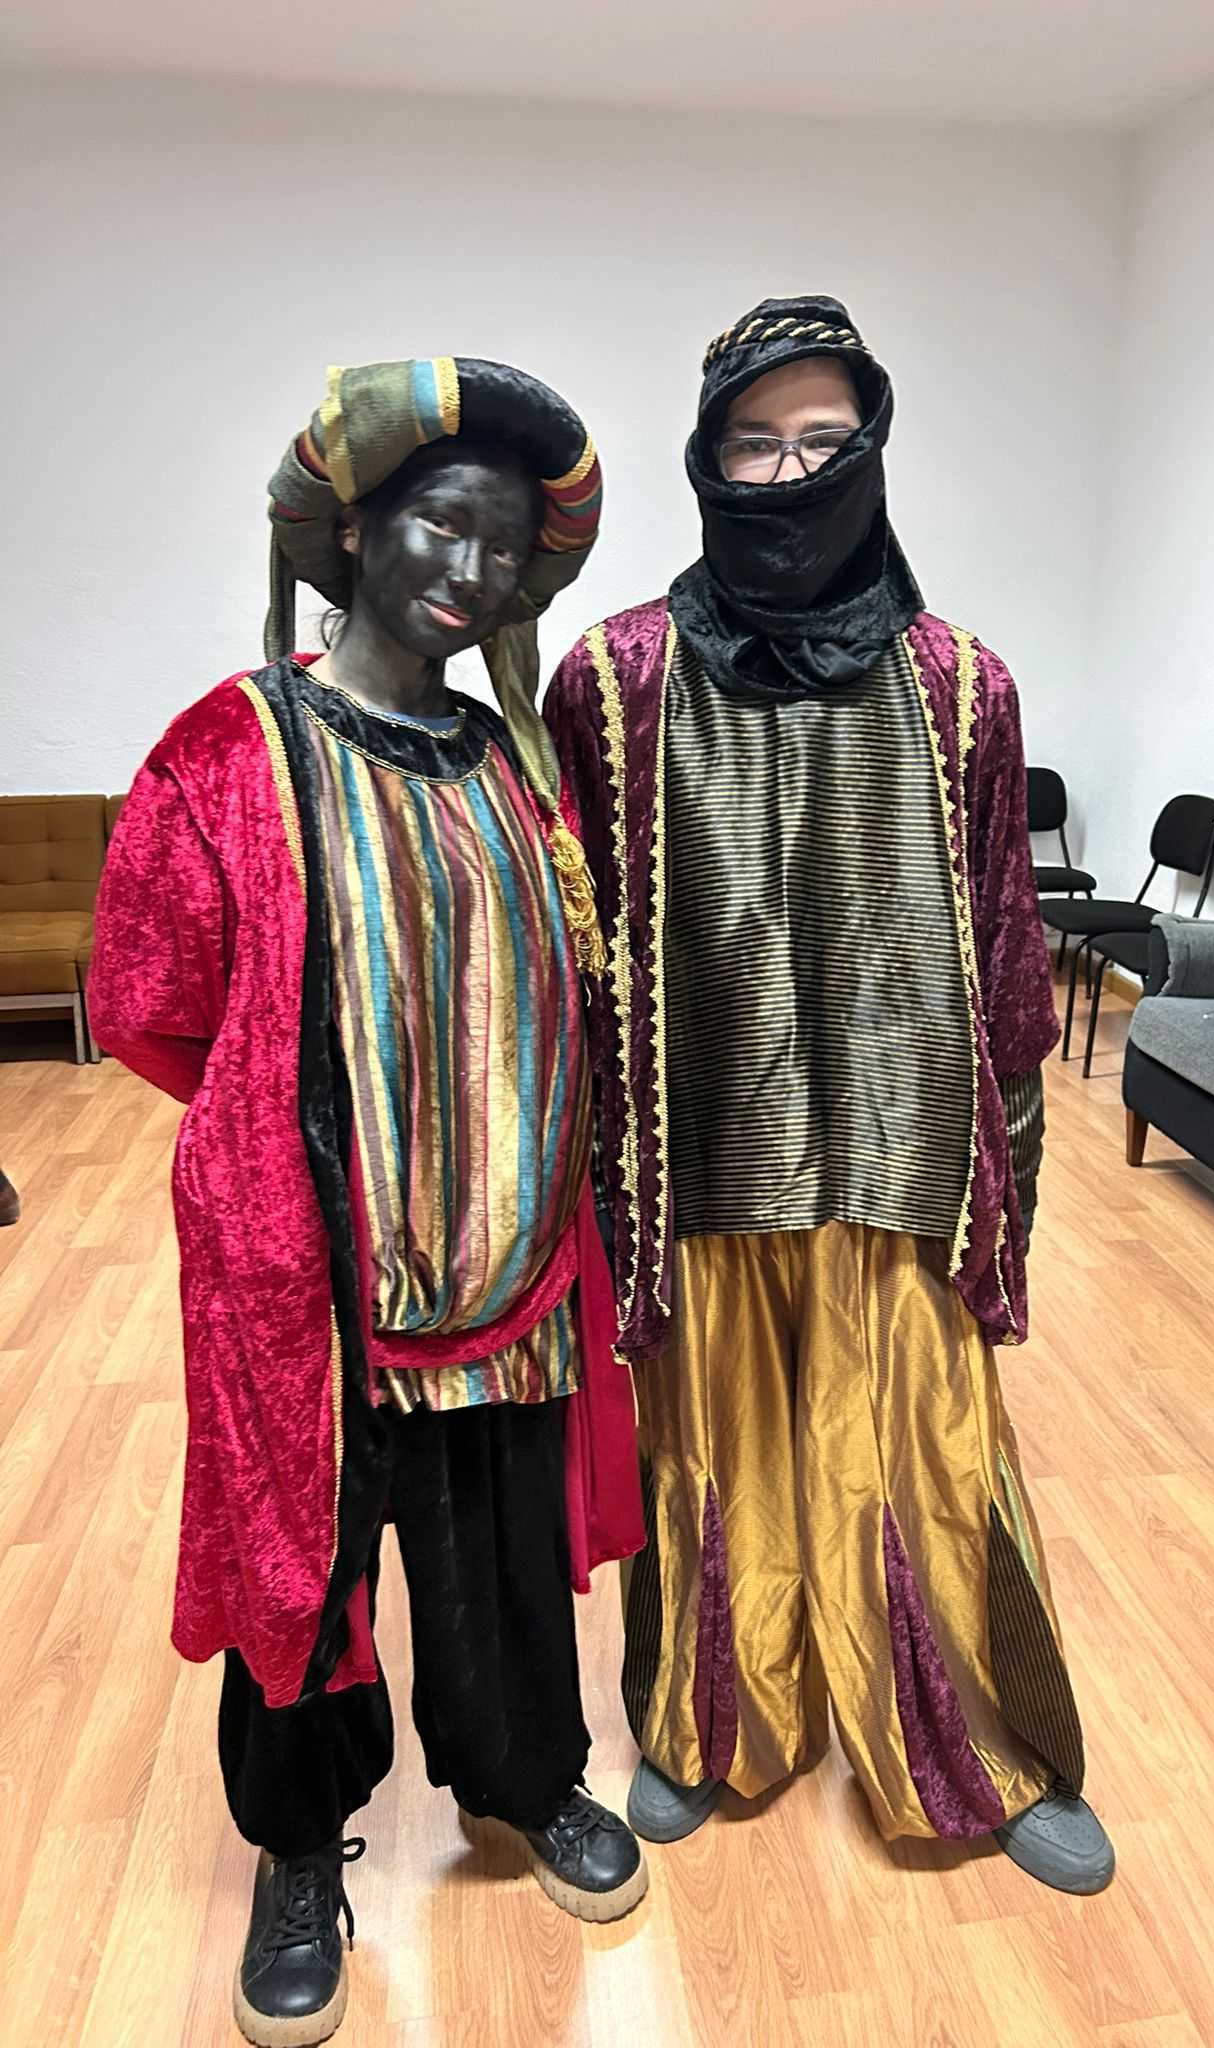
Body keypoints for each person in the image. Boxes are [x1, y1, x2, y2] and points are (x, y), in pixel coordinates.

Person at [91, 357, 648, 2048]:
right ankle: (295, 1847)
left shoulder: (513, 764)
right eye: (438, 526)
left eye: (504, 548)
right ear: (353, 531)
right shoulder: (228, 748)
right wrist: (302, 1155)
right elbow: (151, 1002)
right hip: (316, 1277)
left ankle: (525, 1780)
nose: (469, 571)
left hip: (512, 1269)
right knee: (305, 1567)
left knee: (499, 1559)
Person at [545, 297, 1114, 1892]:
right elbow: (579, 957)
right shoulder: (615, 681)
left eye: (820, 440)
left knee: (928, 1451)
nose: (787, 473)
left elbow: (1008, 952)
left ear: (871, 451)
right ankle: (710, 1720)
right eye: (754, 442)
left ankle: (980, 1742)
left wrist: (1009, 1186)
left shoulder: (962, 686)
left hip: (902, 1152)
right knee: (713, 1443)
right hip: (703, 1154)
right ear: (706, 458)